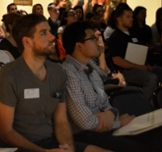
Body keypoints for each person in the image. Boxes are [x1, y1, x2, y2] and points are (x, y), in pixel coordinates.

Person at [0, 14, 97, 152]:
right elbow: (6, 132)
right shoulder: (9, 76)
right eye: (43, 33)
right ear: (27, 42)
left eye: (49, 31)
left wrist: (68, 148)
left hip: (51, 142)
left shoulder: (57, 71)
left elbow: (61, 121)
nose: (52, 37)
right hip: (21, 148)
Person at [63, 21, 156, 151]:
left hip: (105, 128)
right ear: (79, 46)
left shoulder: (91, 66)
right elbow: (86, 122)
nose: (97, 41)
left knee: (154, 136)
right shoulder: (69, 72)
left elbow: (106, 104)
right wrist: (118, 122)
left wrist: (111, 115)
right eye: (92, 38)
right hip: (86, 136)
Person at [107, 3, 162, 100]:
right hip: (126, 70)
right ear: (119, 19)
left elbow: (141, 50)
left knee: (160, 71)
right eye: (128, 17)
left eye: (132, 17)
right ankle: (142, 105)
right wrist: (140, 67)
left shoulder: (134, 34)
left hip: (140, 65)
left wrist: (146, 65)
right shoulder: (115, 37)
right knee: (151, 78)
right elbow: (117, 60)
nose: (131, 19)